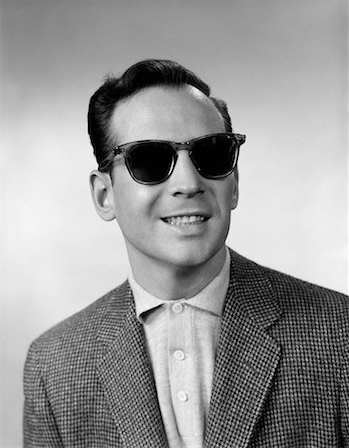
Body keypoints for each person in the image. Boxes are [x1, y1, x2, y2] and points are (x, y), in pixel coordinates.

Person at [23, 59, 348, 447]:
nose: (189, 182)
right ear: (104, 194)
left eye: (211, 154)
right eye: (150, 160)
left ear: (234, 183)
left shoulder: (338, 334)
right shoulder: (54, 365)